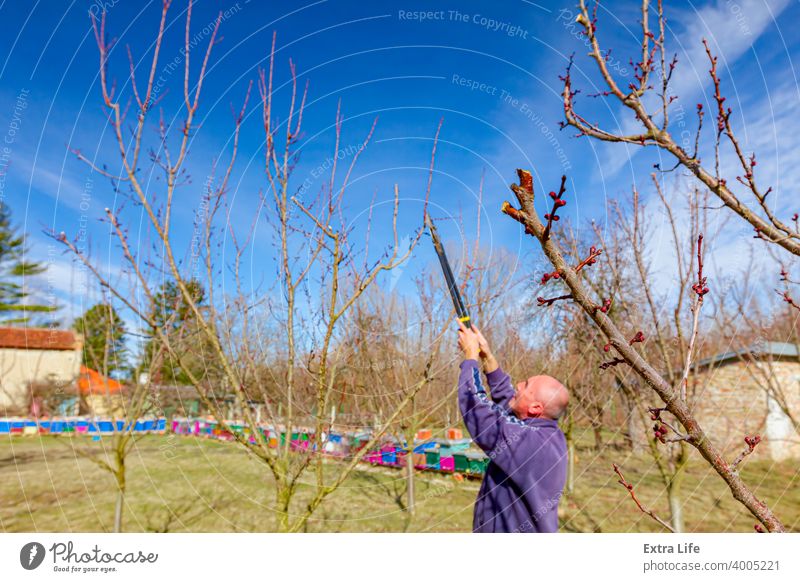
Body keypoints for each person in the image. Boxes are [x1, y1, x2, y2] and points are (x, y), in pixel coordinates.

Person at [456, 322, 569, 533]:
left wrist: (470, 357)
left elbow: (479, 414)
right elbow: (509, 404)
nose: (518, 385)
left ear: (536, 407)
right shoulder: (543, 432)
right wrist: (487, 358)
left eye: (526, 386)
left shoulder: (532, 445)